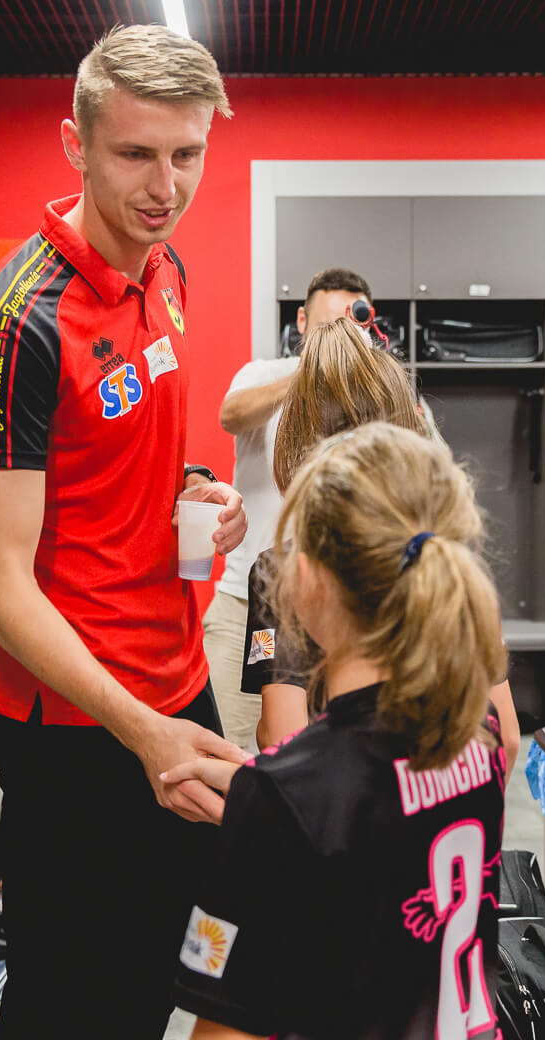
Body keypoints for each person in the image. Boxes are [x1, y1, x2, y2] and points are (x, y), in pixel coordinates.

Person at [0, 24, 250, 1038]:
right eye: (136, 154)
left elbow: (134, 457)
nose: (166, 186)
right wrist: (142, 733)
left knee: (198, 970)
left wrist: (200, 490)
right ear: (75, 145)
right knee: (83, 1008)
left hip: (175, 685)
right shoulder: (15, 323)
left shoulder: (167, 272)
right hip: (81, 731)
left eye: (187, 154)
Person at [166, 422, 509, 1040]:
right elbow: (380, 828)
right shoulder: (477, 732)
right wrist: (270, 798)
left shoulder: (288, 799)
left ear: (309, 581)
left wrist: (267, 812)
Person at [238, 320, 520, 775]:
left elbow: (282, 740)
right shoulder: (441, 549)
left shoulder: (285, 569)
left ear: (298, 441)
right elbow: (504, 738)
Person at [207, 267, 379, 754]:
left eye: (350, 327)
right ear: (301, 322)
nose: (339, 337)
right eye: (326, 326)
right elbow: (230, 414)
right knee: (225, 747)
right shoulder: (264, 374)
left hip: (338, 611)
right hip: (247, 601)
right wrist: (313, 368)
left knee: (321, 758)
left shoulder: (375, 387)